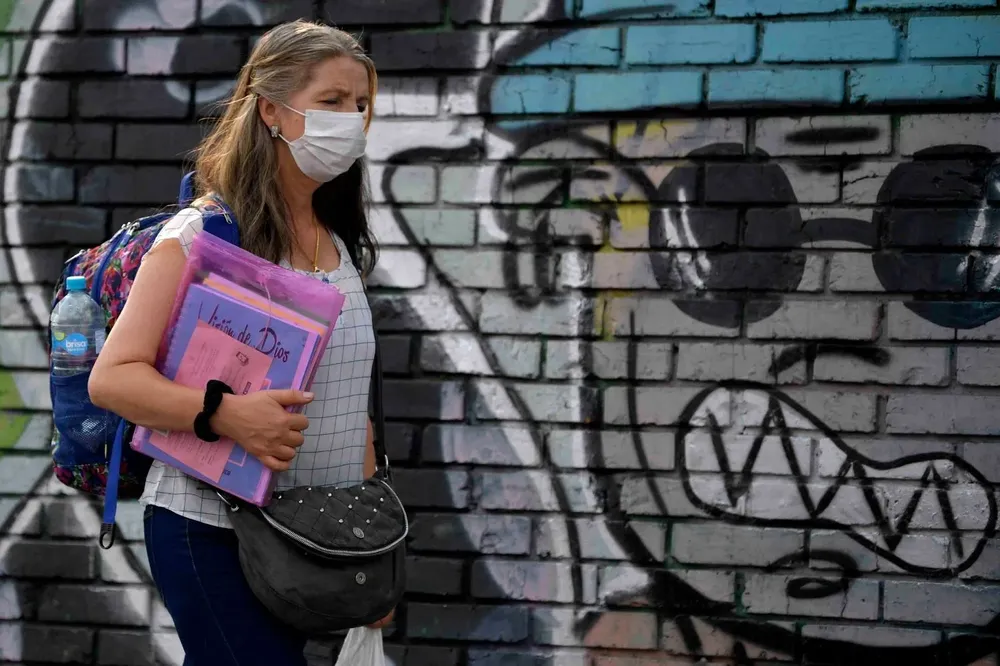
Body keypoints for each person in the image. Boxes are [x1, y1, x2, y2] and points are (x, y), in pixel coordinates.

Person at [87, 19, 391, 665]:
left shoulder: (338, 240)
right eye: (331, 101)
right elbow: (114, 378)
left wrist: (375, 544)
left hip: (317, 538)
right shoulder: (204, 236)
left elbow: (349, 406)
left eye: (361, 104)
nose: (351, 119)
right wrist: (226, 415)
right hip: (212, 529)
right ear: (271, 111)